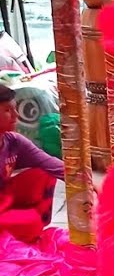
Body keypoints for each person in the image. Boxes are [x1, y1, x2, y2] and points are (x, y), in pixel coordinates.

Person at [0, 84, 64, 242]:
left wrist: (94, 184)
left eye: (15, 109)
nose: (16, 116)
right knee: (30, 224)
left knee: (42, 175)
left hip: (3, 199)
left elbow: (52, 165)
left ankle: (22, 224)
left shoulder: (13, 141)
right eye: (8, 110)